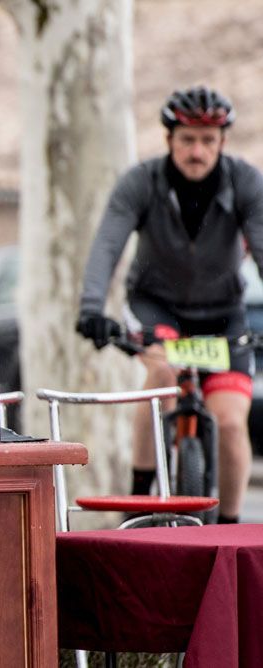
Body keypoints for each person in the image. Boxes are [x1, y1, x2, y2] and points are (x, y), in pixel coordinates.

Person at [77, 85, 263, 524]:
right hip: (156, 307)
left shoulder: (246, 184)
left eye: (207, 141)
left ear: (222, 142)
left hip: (222, 314)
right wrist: (91, 309)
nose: (197, 151)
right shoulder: (141, 183)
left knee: (233, 422)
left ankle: (230, 526)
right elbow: (107, 247)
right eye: (187, 140)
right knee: (161, 374)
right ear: (169, 140)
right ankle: (139, 494)